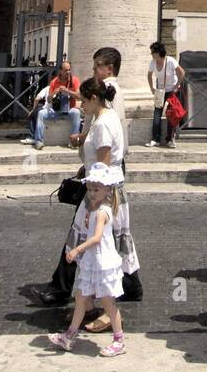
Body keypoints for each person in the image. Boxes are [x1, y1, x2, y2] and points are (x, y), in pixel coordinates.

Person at [37, 75, 142, 313]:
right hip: (103, 187)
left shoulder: (104, 123)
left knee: (96, 242)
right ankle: (125, 288)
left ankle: (94, 301)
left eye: (83, 101)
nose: (81, 106)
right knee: (111, 241)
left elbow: (104, 162)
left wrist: (95, 198)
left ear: (94, 99)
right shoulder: (103, 117)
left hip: (102, 191)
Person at [49, 163, 126, 358]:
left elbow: (96, 238)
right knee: (81, 298)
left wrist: (77, 250)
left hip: (102, 262)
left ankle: (119, 339)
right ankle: (70, 335)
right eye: (90, 189)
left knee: (108, 303)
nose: (91, 193)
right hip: (93, 261)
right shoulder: (95, 209)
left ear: (107, 189)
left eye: (96, 189)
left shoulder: (102, 211)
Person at [24, 59, 81, 150]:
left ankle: (73, 141)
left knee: (77, 113)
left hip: (70, 109)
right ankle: (39, 141)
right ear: (60, 71)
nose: (68, 72)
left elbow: (79, 96)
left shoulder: (74, 80)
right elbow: (49, 100)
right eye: (66, 70)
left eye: (69, 69)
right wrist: (54, 92)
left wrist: (68, 91)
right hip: (55, 110)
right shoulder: (54, 82)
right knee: (41, 113)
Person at [146, 42, 185, 149]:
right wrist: (152, 88)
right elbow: (149, 75)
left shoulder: (171, 61)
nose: (151, 54)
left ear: (158, 52)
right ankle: (155, 139)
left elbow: (182, 73)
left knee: (171, 114)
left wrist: (177, 86)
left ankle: (170, 139)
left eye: (152, 52)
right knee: (157, 114)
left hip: (172, 91)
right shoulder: (153, 63)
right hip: (160, 91)